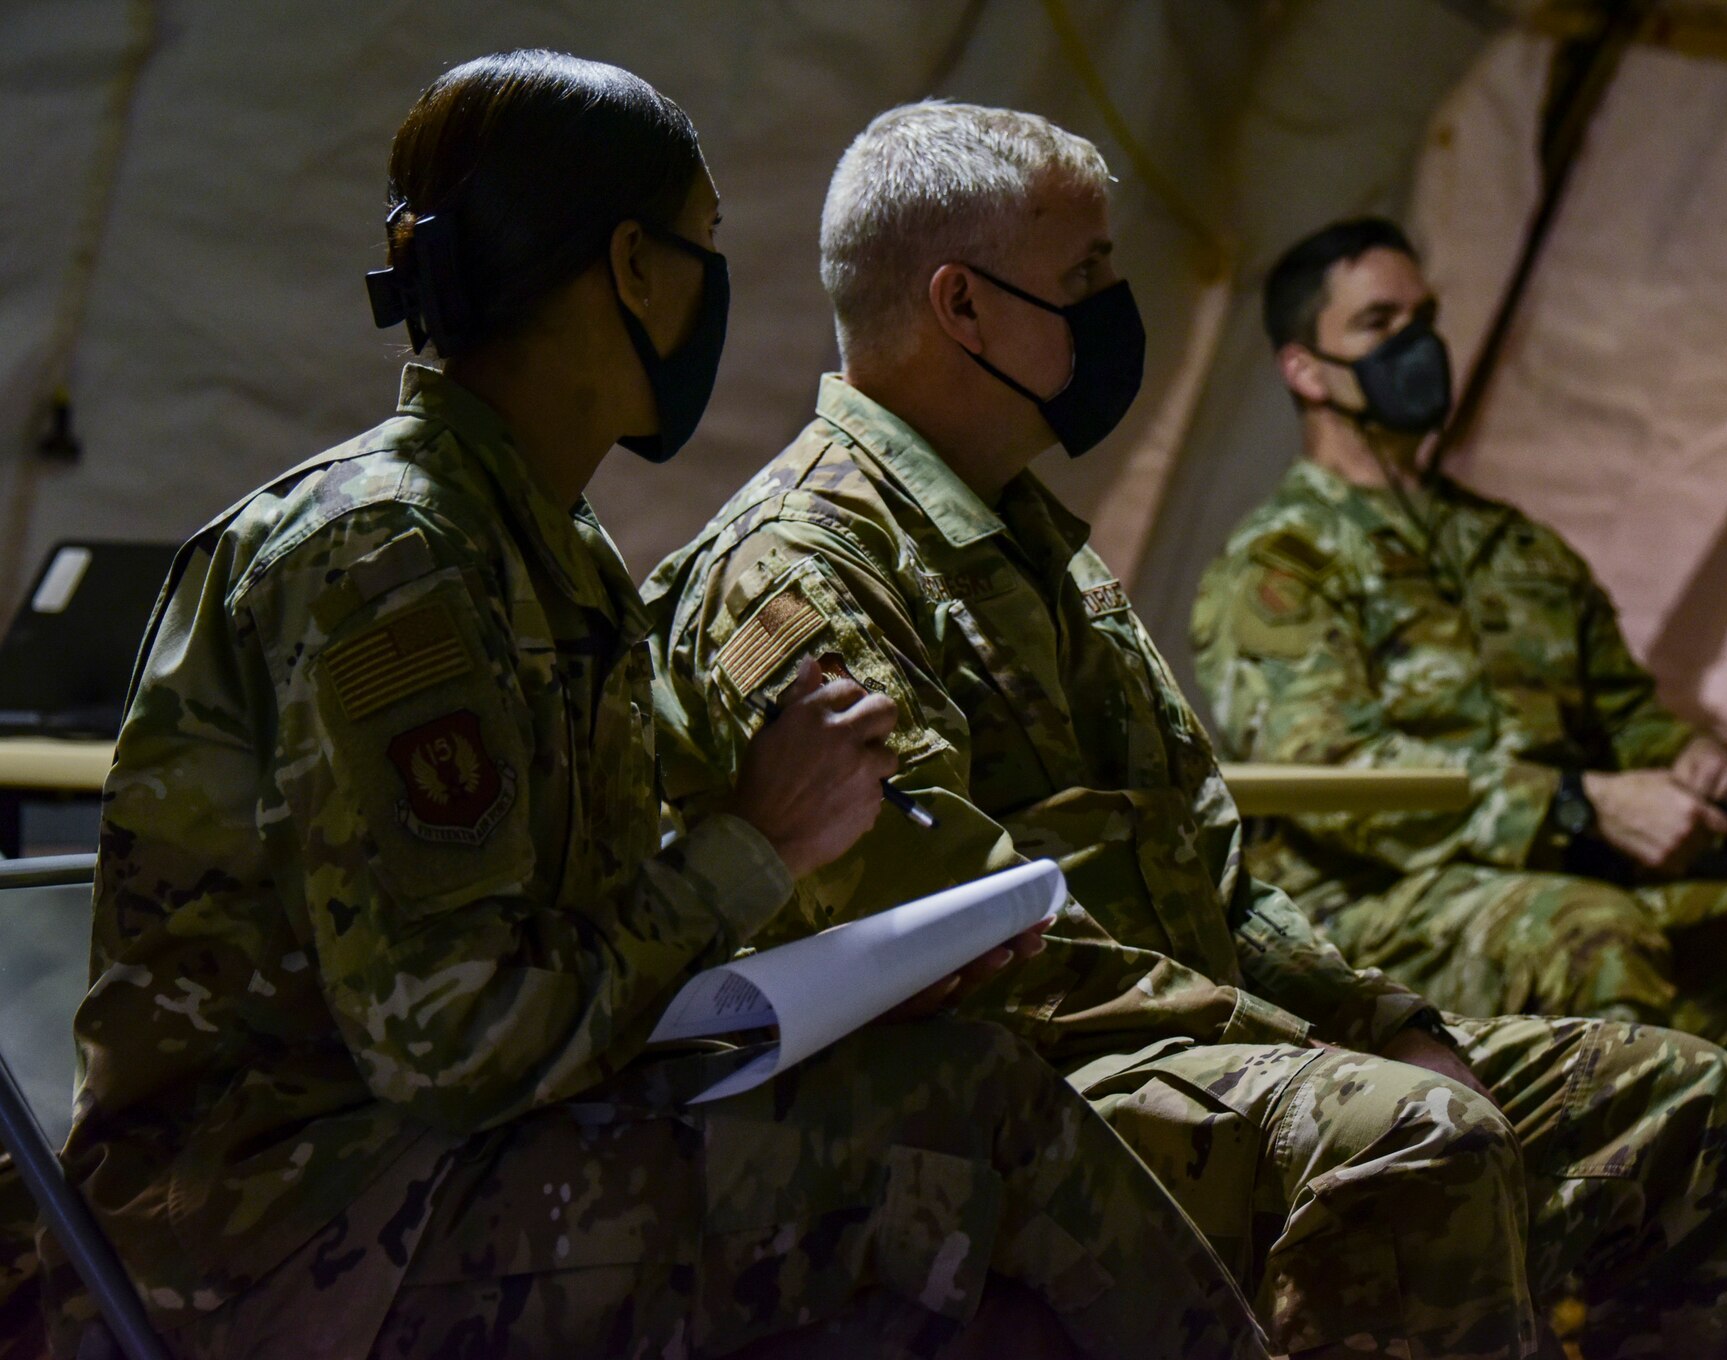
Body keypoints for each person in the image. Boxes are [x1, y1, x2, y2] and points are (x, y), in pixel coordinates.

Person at [47, 53, 1274, 1360]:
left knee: (956, 1120)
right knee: (965, 1134)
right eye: (704, 245)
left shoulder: (541, 546)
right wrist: (757, 843)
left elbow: (578, 956)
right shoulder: (390, 561)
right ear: (633, 271)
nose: (717, 288)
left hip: (436, 1171)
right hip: (273, 1225)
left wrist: (863, 970)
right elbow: (462, 1046)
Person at [649, 100, 1727, 1359]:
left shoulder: (1034, 546)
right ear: (961, 307)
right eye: (1083, 275)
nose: (1113, 307)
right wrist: (1329, 1058)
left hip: (1204, 1049)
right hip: (1028, 1093)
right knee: (1419, 1137)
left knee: (1689, 1104)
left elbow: (1213, 869)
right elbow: (973, 951)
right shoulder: (804, 571)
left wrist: (1382, 1019)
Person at [1189, 216, 1727, 1255]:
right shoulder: (1279, 561)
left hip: (1578, 895)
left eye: (1424, 317)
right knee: (1597, 945)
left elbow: (1626, 714)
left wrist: (1681, 758)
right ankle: (1570, 1292)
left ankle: (1726, 1271)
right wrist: (1574, 802)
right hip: (1384, 913)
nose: (1417, 344)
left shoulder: (1516, 550)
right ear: (1304, 368)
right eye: (1378, 322)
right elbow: (1326, 779)